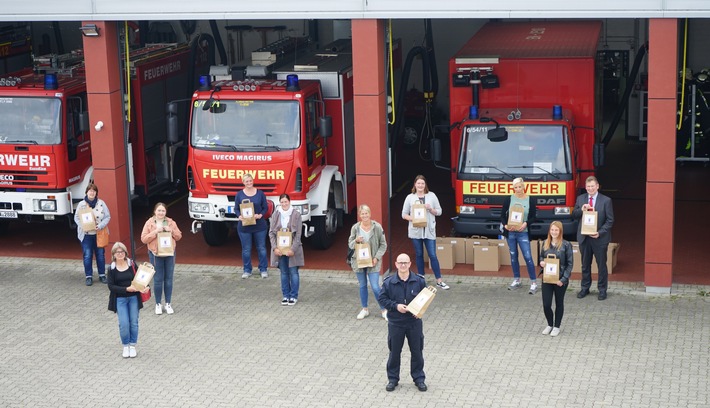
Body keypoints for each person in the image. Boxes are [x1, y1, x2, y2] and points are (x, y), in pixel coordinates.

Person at [378, 253, 428, 392]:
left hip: (414, 323)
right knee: (394, 352)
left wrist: (420, 311)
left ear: (410, 264)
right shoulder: (389, 282)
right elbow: (382, 299)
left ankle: (419, 378)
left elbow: (426, 298)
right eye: (400, 263)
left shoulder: (419, 281)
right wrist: (396, 306)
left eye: (405, 263)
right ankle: (393, 379)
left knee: (417, 352)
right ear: (396, 264)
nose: (403, 265)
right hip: (396, 323)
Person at [401, 175, 450, 290]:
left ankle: (439, 280)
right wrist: (413, 219)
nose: (420, 186)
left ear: (425, 185)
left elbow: (439, 211)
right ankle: (421, 280)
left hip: (429, 231)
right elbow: (403, 214)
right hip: (416, 232)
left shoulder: (431, 196)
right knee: (419, 255)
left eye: (422, 183)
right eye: (418, 183)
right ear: (415, 185)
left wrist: (430, 209)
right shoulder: (410, 197)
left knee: (432, 255)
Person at [572, 176, 614, 300]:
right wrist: (581, 210)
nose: (590, 188)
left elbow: (610, 220)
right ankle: (585, 288)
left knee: (601, 265)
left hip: (599, 238)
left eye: (592, 186)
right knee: (585, 265)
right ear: (585, 187)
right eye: (588, 186)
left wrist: (599, 232)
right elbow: (574, 215)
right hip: (584, 237)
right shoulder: (580, 199)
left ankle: (602, 290)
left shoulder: (606, 200)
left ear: (597, 186)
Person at [107, 242, 149, 358]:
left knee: (134, 322)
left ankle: (132, 345)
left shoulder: (131, 264)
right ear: (113, 254)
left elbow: (141, 278)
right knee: (124, 323)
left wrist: (145, 287)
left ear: (125, 253)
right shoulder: (111, 268)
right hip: (120, 299)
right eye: (117, 252)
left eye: (122, 252)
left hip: (133, 298)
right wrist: (126, 289)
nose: (120, 254)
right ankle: (125, 345)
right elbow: (111, 286)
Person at [140, 202, 183, 315]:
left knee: (169, 279)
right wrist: (155, 232)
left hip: (169, 254)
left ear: (165, 212)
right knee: (158, 280)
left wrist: (171, 231)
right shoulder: (149, 223)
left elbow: (179, 236)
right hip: (155, 254)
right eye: (159, 210)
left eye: (163, 211)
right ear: (155, 211)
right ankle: (158, 304)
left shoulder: (171, 222)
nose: (161, 213)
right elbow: (144, 239)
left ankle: (168, 303)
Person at [348, 204, 388, 321]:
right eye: (362, 213)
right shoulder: (355, 228)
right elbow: (350, 244)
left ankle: (384, 309)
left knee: (375, 286)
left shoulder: (377, 227)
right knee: (362, 285)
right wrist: (356, 240)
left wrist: (376, 258)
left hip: (373, 262)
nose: (364, 215)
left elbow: (383, 245)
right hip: (359, 261)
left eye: (366, 213)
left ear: (370, 214)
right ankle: (365, 309)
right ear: (360, 215)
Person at [501, 177, 539, 294]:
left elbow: (534, 216)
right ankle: (516, 280)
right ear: (513, 188)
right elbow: (502, 215)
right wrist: (506, 225)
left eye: (520, 187)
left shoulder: (530, 200)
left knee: (528, 257)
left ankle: (533, 282)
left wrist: (526, 223)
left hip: (523, 232)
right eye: (516, 187)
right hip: (511, 233)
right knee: (513, 257)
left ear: (524, 187)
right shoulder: (508, 199)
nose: (518, 189)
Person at [538, 221, 573, 337]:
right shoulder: (544, 243)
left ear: (560, 231)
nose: (554, 232)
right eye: (552, 230)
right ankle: (549, 324)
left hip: (560, 280)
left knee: (559, 303)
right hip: (547, 278)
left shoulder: (566, 245)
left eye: (556, 230)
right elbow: (541, 257)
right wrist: (541, 262)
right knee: (546, 304)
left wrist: (563, 279)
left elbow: (570, 264)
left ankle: (557, 326)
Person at [73, 183, 111, 286]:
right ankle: (88, 276)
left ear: (96, 193)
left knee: (100, 255)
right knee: (87, 255)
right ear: (86, 192)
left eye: (94, 191)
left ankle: (102, 275)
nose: (92, 193)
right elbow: (76, 218)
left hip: (99, 233)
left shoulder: (101, 203)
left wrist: (101, 225)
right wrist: (83, 226)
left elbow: (107, 217)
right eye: (90, 191)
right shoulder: (81, 204)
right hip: (86, 235)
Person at [269, 194, 303, 306]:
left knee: (293, 272)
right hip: (280, 250)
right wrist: (275, 248)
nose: (284, 204)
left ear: (289, 202)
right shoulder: (275, 215)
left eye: (286, 202)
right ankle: (285, 295)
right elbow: (271, 233)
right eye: (282, 202)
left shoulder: (297, 215)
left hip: (292, 249)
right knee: (283, 273)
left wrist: (292, 249)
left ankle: (294, 296)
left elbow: (298, 234)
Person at [235, 173, 270, 279]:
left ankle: (263, 269)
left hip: (259, 226)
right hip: (244, 227)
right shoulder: (239, 194)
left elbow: (265, 207)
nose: (249, 183)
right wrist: (239, 216)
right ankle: (247, 270)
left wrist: (260, 215)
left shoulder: (260, 194)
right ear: (243, 182)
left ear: (253, 181)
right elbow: (236, 209)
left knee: (262, 248)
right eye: (247, 181)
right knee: (246, 249)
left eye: (250, 181)